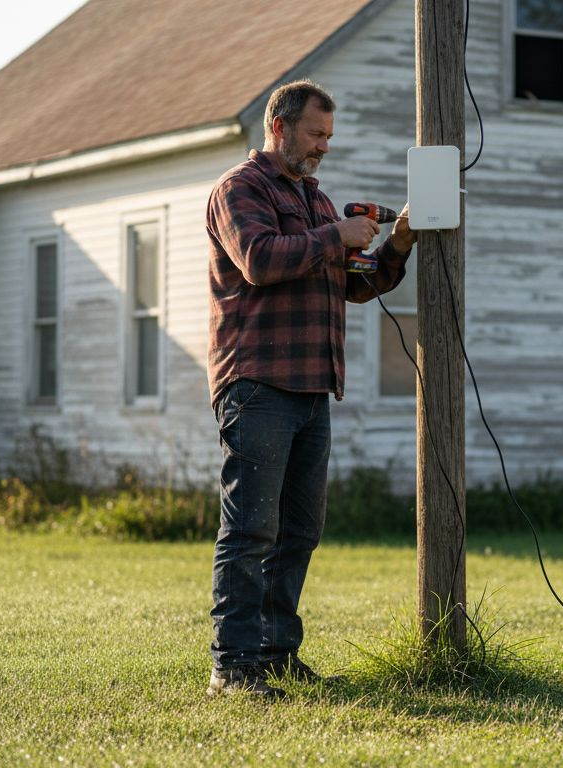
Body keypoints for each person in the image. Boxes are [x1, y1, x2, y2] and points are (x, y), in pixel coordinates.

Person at [204, 79, 415, 698]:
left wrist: (396, 243)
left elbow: (355, 285)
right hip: (256, 382)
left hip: (313, 387)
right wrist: (335, 238)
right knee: (250, 530)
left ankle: (274, 654)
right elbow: (260, 260)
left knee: (298, 529)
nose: (324, 146)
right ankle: (232, 666)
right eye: (315, 134)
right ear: (280, 127)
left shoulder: (319, 202)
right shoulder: (238, 189)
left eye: (329, 136)